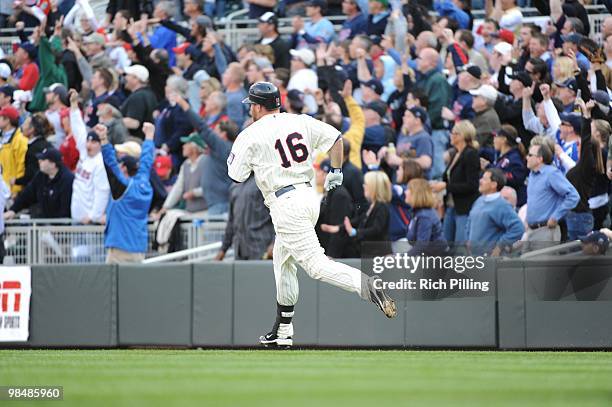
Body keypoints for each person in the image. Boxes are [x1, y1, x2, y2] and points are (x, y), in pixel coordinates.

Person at [228, 82, 397, 348]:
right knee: (283, 262)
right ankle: (282, 331)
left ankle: (366, 285)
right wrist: (336, 171)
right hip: (309, 197)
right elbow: (337, 139)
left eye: (252, 106)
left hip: (286, 202)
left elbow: (235, 176)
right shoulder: (300, 121)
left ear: (258, 107)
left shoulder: (250, 133)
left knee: (316, 266)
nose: (251, 110)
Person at [96, 122, 154, 264]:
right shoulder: (144, 183)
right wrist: (149, 137)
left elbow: (110, 164)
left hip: (120, 249)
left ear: (124, 167)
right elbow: (146, 161)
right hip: (138, 248)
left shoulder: (123, 188)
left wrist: (104, 139)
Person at [431, 121, 480, 244]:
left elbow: (472, 185)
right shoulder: (456, 154)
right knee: (446, 244)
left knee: (460, 246)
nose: (450, 136)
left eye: (453, 133)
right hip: (451, 206)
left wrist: (446, 186)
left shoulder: (471, 154)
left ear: (462, 135)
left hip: (464, 207)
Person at [326, 170, 392, 256]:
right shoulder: (371, 206)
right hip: (369, 252)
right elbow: (358, 220)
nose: (363, 186)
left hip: (379, 254)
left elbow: (376, 229)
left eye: (366, 184)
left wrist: (355, 232)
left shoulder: (382, 207)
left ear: (374, 188)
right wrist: (339, 228)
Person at [525, 143, 579, 247]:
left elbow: (573, 196)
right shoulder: (532, 174)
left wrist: (556, 216)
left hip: (546, 231)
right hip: (531, 231)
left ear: (540, 159)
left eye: (530, 155)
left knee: (542, 263)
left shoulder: (551, 173)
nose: (527, 157)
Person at [217, 174, 275, 261]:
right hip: (240, 250)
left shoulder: (265, 182)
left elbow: (277, 215)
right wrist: (223, 250)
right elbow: (231, 222)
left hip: (262, 248)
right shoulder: (234, 186)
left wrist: (275, 242)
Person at [467, 168, 524, 256]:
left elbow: (518, 228)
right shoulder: (479, 200)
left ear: (494, 185)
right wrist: (468, 240)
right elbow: (469, 222)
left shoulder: (501, 204)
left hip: (490, 260)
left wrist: (500, 246)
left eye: (484, 179)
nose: (480, 181)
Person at [5, 147, 73, 220]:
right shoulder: (41, 175)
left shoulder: (67, 179)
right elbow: (27, 194)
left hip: (62, 227)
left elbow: (65, 210)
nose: (39, 161)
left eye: (43, 160)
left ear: (53, 164)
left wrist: (56, 228)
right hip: (45, 223)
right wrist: (13, 210)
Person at [404, 178, 447, 256]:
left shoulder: (424, 216)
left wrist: (399, 257)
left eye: (408, 189)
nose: (405, 192)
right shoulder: (417, 212)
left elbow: (421, 245)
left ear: (416, 194)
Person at [120, 64, 158, 140]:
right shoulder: (149, 94)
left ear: (136, 78)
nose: (125, 78)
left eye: (128, 75)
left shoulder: (138, 97)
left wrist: (113, 121)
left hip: (136, 142)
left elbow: (134, 123)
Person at [14, 113, 52, 188]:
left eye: (25, 124)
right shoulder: (45, 144)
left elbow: (31, 175)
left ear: (32, 129)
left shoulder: (33, 150)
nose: (22, 126)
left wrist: (16, 181)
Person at [0, 106, 28, 197]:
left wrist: (16, 189)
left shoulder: (20, 140)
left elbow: (21, 166)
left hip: (10, 191)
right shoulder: (2, 137)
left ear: (7, 120)